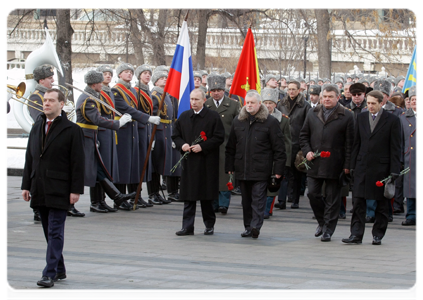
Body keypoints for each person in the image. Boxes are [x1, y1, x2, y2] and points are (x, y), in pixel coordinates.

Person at [21, 88, 85, 287]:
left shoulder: (72, 130)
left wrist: (76, 190)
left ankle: (49, 273)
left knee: (55, 231)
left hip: (60, 188)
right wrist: (26, 185)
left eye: (50, 101)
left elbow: (77, 162)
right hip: (39, 186)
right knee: (48, 231)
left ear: (61, 104)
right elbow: (30, 158)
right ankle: (59, 268)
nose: (46, 103)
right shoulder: (37, 125)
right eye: (45, 100)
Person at [342, 90, 401, 245]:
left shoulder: (392, 120)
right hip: (362, 166)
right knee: (358, 202)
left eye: (373, 103)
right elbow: (356, 143)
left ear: (381, 103)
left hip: (382, 168)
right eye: (368, 103)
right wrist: (351, 165)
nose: (370, 106)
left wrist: (395, 170)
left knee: (381, 203)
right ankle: (356, 234)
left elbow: (396, 147)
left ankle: (378, 234)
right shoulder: (361, 118)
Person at [226, 90, 286, 238]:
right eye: (247, 102)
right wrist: (229, 167)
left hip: (261, 169)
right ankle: (248, 226)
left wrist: (278, 170)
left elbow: (279, 148)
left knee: (258, 199)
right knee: (246, 201)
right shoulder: (238, 121)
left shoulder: (270, 122)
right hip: (243, 168)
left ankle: (255, 226)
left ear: (259, 104)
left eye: (253, 102)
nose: (249, 105)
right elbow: (231, 146)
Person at [76, 70, 136, 213]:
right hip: (86, 136)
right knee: (93, 170)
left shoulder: (91, 96)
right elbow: (97, 119)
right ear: (95, 84)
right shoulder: (88, 99)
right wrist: (118, 124)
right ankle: (99, 201)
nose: (102, 85)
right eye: (100, 83)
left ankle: (109, 199)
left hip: (91, 136)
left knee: (99, 170)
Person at [299, 85, 354, 241]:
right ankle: (322, 221)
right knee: (312, 194)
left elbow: (350, 143)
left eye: (330, 96)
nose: (327, 99)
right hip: (315, 162)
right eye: (324, 97)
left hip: (335, 163)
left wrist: (347, 165)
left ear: (338, 97)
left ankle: (328, 229)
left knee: (332, 198)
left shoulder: (346, 116)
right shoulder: (312, 113)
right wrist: (307, 151)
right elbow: (303, 135)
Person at [172, 88, 225, 235]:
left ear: (204, 100)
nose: (193, 102)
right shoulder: (184, 116)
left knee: (206, 197)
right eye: (191, 99)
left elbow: (219, 137)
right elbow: (175, 135)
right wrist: (182, 145)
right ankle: (187, 227)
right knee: (189, 197)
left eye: (196, 99)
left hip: (206, 162)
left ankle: (209, 225)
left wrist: (202, 146)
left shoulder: (212, 116)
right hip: (189, 163)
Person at [112, 63, 161, 210]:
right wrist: (147, 118)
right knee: (123, 165)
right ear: (120, 74)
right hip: (122, 130)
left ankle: (134, 196)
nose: (129, 74)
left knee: (133, 165)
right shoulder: (116, 90)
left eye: (130, 72)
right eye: (126, 72)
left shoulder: (131, 90)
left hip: (132, 130)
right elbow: (126, 109)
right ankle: (120, 198)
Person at [204, 74, 241, 215]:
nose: (216, 93)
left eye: (219, 90)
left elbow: (238, 125)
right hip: (210, 146)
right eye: (213, 90)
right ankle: (213, 202)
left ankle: (224, 204)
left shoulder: (233, 105)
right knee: (212, 175)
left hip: (227, 145)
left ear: (224, 90)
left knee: (225, 175)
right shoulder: (206, 105)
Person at [277, 80, 310, 209]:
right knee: (283, 172)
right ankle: (282, 200)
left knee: (296, 174)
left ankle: (295, 199)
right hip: (284, 142)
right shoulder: (281, 104)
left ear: (299, 90)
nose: (291, 91)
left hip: (297, 143)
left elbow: (307, 125)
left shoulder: (305, 106)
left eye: (294, 89)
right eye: (289, 89)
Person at [260, 88, 291, 215]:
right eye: (265, 102)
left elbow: (287, 142)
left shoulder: (283, 120)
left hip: (275, 157)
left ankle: (267, 210)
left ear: (275, 104)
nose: (268, 105)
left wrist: (286, 162)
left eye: (270, 103)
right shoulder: (257, 118)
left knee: (272, 184)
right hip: (260, 157)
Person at [149, 70, 176, 205]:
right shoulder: (155, 95)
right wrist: (152, 137)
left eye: (166, 78)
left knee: (162, 163)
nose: (165, 79)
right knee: (155, 163)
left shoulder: (165, 95)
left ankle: (157, 192)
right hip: (158, 130)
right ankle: (152, 193)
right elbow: (152, 115)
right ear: (155, 81)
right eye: (161, 78)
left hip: (166, 131)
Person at [400, 86, 420, 226]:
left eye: (417, 99)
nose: (414, 102)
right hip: (410, 157)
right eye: (412, 99)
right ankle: (411, 216)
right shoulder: (403, 117)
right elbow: (400, 138)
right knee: (410, 188)